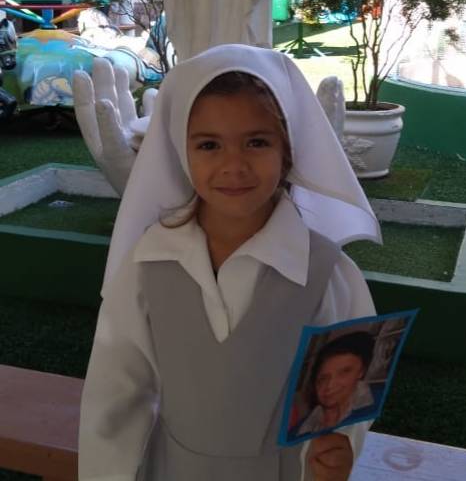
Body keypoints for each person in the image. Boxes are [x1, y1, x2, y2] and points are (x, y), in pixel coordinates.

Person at [79, 44, 381, 481]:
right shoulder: (147, 264)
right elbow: (115, 392)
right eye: (209, 145)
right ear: (181, 151)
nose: (233, 165)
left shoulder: (327, 273)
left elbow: (345, 396)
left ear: (287, 150)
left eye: (257, 142)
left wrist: (332, 455)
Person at [294, 332, 378, 437]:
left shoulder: (377, 407)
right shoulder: (299, 430)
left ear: (361, 371)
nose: (329, 385)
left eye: (344, 372)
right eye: (323, 378)